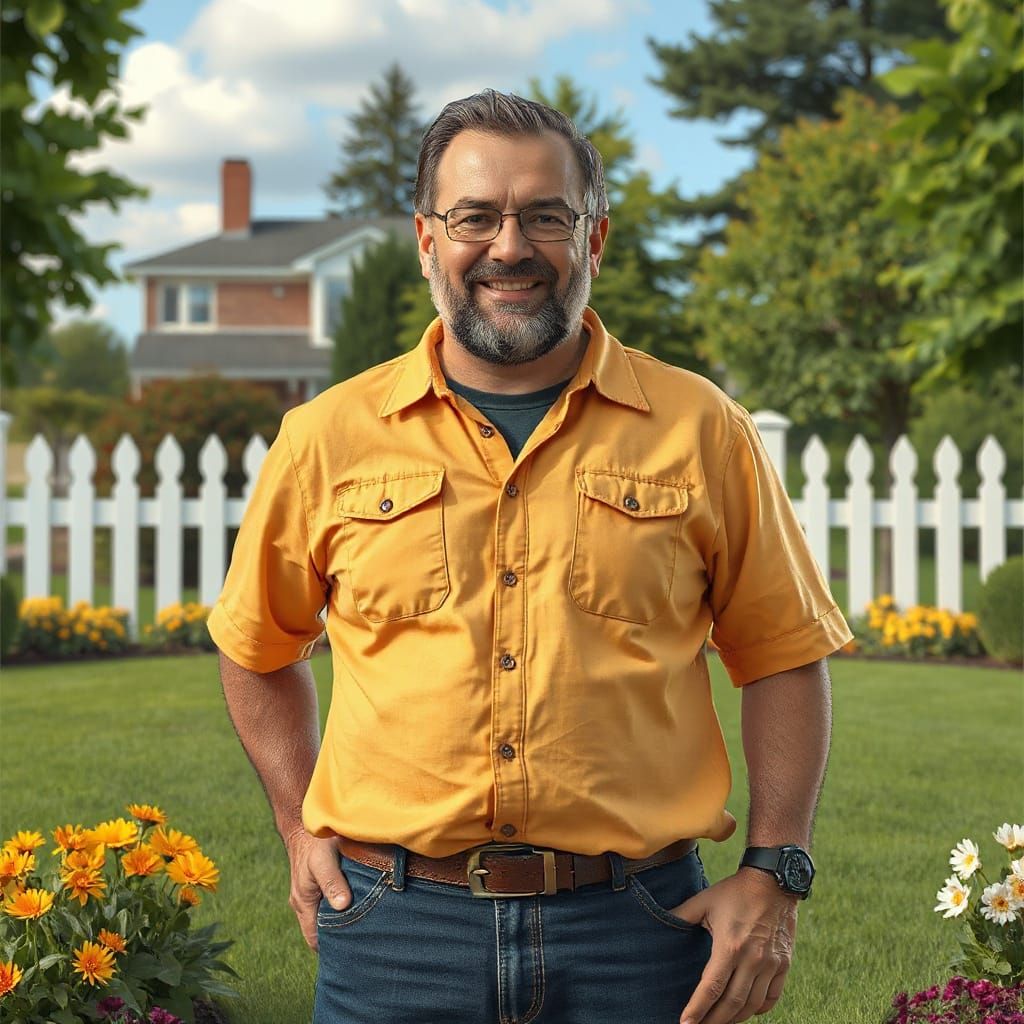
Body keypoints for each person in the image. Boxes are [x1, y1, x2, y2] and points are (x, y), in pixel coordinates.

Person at [208, 89, 852, 1024]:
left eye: (546, 217)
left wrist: (776, 869)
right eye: (474, 216)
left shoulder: (704, 428)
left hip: (642, 929)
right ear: (427, 239)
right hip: (394, 930)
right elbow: (253, 645)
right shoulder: (325, 438)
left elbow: (785, 651)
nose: (509, 247)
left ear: (593, 240)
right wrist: (293, 813)